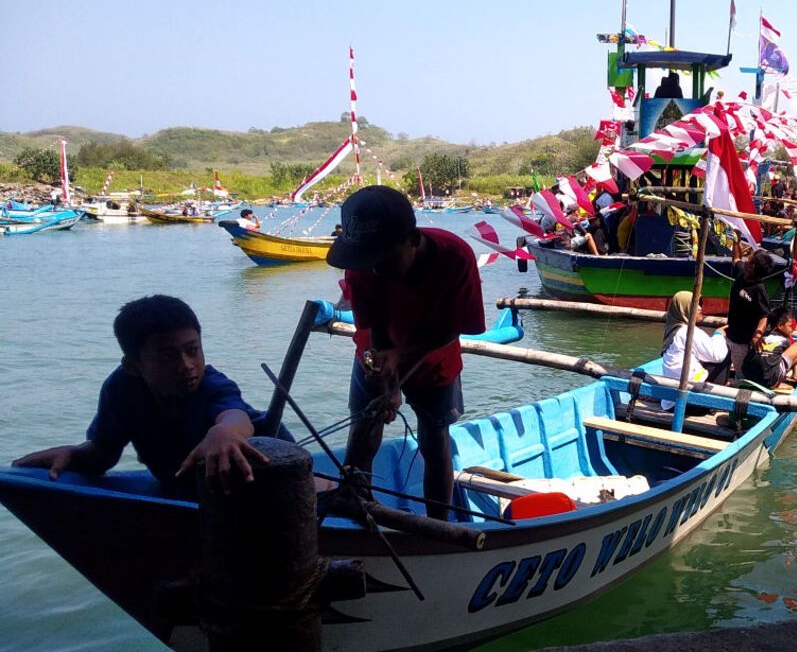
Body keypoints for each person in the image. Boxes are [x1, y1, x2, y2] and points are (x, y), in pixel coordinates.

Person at [11, 295, 285, 497]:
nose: (186, 365)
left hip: (269, 466)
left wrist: (224, 433)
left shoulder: (212, 384)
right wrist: (74, 455)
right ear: (133, 365)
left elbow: (236, 417)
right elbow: (105, 454)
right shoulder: (121, 389)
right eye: (167, 356)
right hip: (187, 489)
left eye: (193, 350)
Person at [326, 186, 484, 520]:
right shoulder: (361, 265)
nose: (375, 270)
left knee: (433, 439)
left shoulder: (455, 257)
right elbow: (373, 327)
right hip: (376, 354)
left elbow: (455, 327)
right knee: (365, 425)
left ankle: (439, 523)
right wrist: (387, 383)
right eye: (368, 262)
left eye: (385, 259)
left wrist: (402, 357)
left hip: (435, 357)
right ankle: (357, 509)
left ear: (413, 240)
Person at [660, 291, 730, 404]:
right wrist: (719, 334)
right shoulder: (689, 332)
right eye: (695, 305)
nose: (700, 308)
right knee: (725, 349)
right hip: (689, 402)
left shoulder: (673, 329)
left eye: (699, 304)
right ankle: (716, 399)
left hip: (670, 402)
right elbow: (718, 355)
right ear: (686, 309)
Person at [726, 243, 775, 378]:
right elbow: (736, 258)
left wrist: (757, 335)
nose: (746, 259)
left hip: (742, 341)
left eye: (749, 258)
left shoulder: (759, 289)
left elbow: (764, 315)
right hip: (729, 333)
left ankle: (741, 387)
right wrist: (737, 239)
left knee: (741, 373)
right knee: (724, 367)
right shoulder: (742, 272)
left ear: (753, 266)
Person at [741, 306, 797, 391]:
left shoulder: (762, 337)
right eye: (790, 326)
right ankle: (776, 383)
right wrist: (794, 374)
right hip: (769, 380)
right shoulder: (786, 340)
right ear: (780, 325)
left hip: (748, 374)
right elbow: (794, 356)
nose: (792, 329)